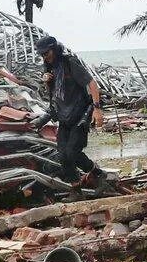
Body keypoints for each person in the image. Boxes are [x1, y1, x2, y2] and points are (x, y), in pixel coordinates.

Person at [35, 35, 104, 185]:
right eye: (42, 55)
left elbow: (92, 84)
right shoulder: (50, 68)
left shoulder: (69, 62)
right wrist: (48, 82)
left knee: (72, 152)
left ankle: (97, 174)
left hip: (80, 115)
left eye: (47, 53)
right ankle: (76, 189)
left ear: (54, 49)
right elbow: (54, 95)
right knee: (63, 156)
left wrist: (97, 109)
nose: (45, 57)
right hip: (63, 116)